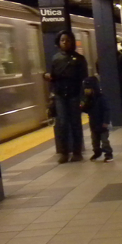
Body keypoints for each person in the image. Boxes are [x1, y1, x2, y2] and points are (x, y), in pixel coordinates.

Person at [46, 30, 88, 163]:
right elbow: (52, 76)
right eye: (62, 40)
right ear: (59, 42)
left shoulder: (80, 59)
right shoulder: (55, 58)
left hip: (74, 94)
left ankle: (77, 152)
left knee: (75, 123)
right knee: (62, 124)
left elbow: (84, 78)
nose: (65, 42)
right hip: (60, 95)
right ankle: (64, 153)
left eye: (68, 40)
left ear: (72, 42)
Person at [80, 76, 114, 162]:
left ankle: (108, 154)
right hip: (93, 124)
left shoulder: (101, 98)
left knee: (104, 140)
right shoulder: (88, 99)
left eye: (89, 88)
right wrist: (83, 106)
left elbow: (107, 110)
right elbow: (86, 110)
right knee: (94, 140)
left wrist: (106, 121)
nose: (86, 90)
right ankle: (97, 152)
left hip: (102, 124)